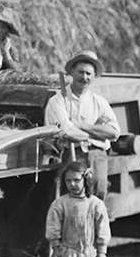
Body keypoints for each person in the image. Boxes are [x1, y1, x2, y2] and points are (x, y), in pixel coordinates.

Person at [43, 50, 119, 198]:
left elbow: (114, 132)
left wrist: (82, 125)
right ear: (72, 72)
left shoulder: (99, 101)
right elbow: (67, 132)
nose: (84, 77)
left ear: (94, 76)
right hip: (72, 155)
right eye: (81, 72)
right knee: (73, 200)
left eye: (89, 74)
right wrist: (98, 133)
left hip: (97, 156)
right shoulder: (59, 101)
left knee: (97, 199)